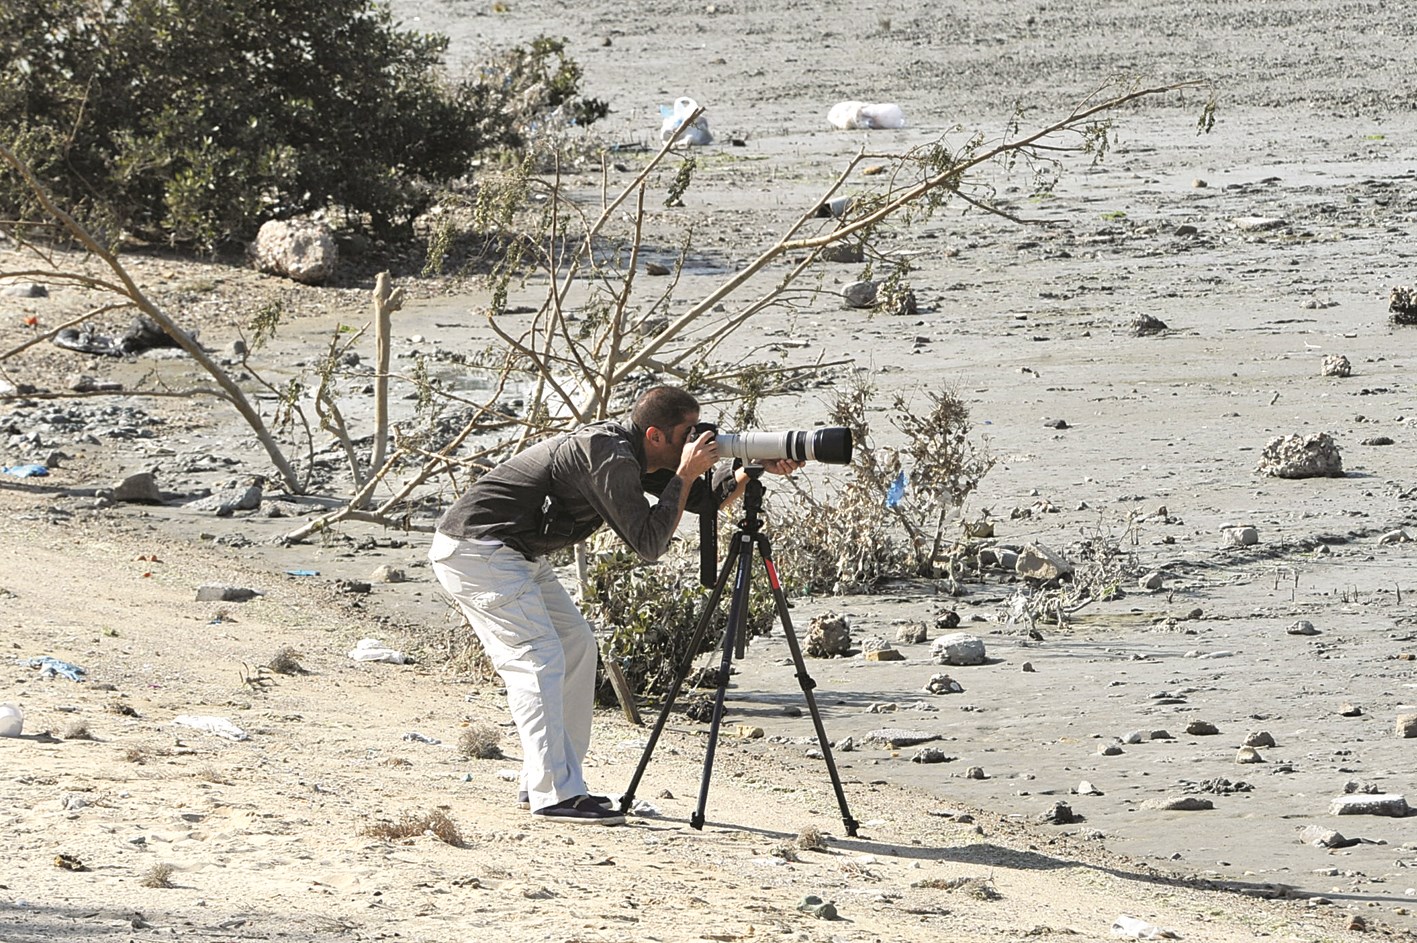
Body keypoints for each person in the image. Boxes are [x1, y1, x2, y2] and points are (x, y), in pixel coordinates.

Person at [429, 386, 800, 825]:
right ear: (656, 435)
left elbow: (701, 500)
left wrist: (748, 470)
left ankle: (546, 782)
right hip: (478, 549)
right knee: (538, 658)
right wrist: (683, 474)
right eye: (688, 432)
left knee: (576, 646)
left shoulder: (638, 454)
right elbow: (648, 542)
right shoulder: (607, 453)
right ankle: (557, 794)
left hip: (511, 553)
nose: (696, 438)